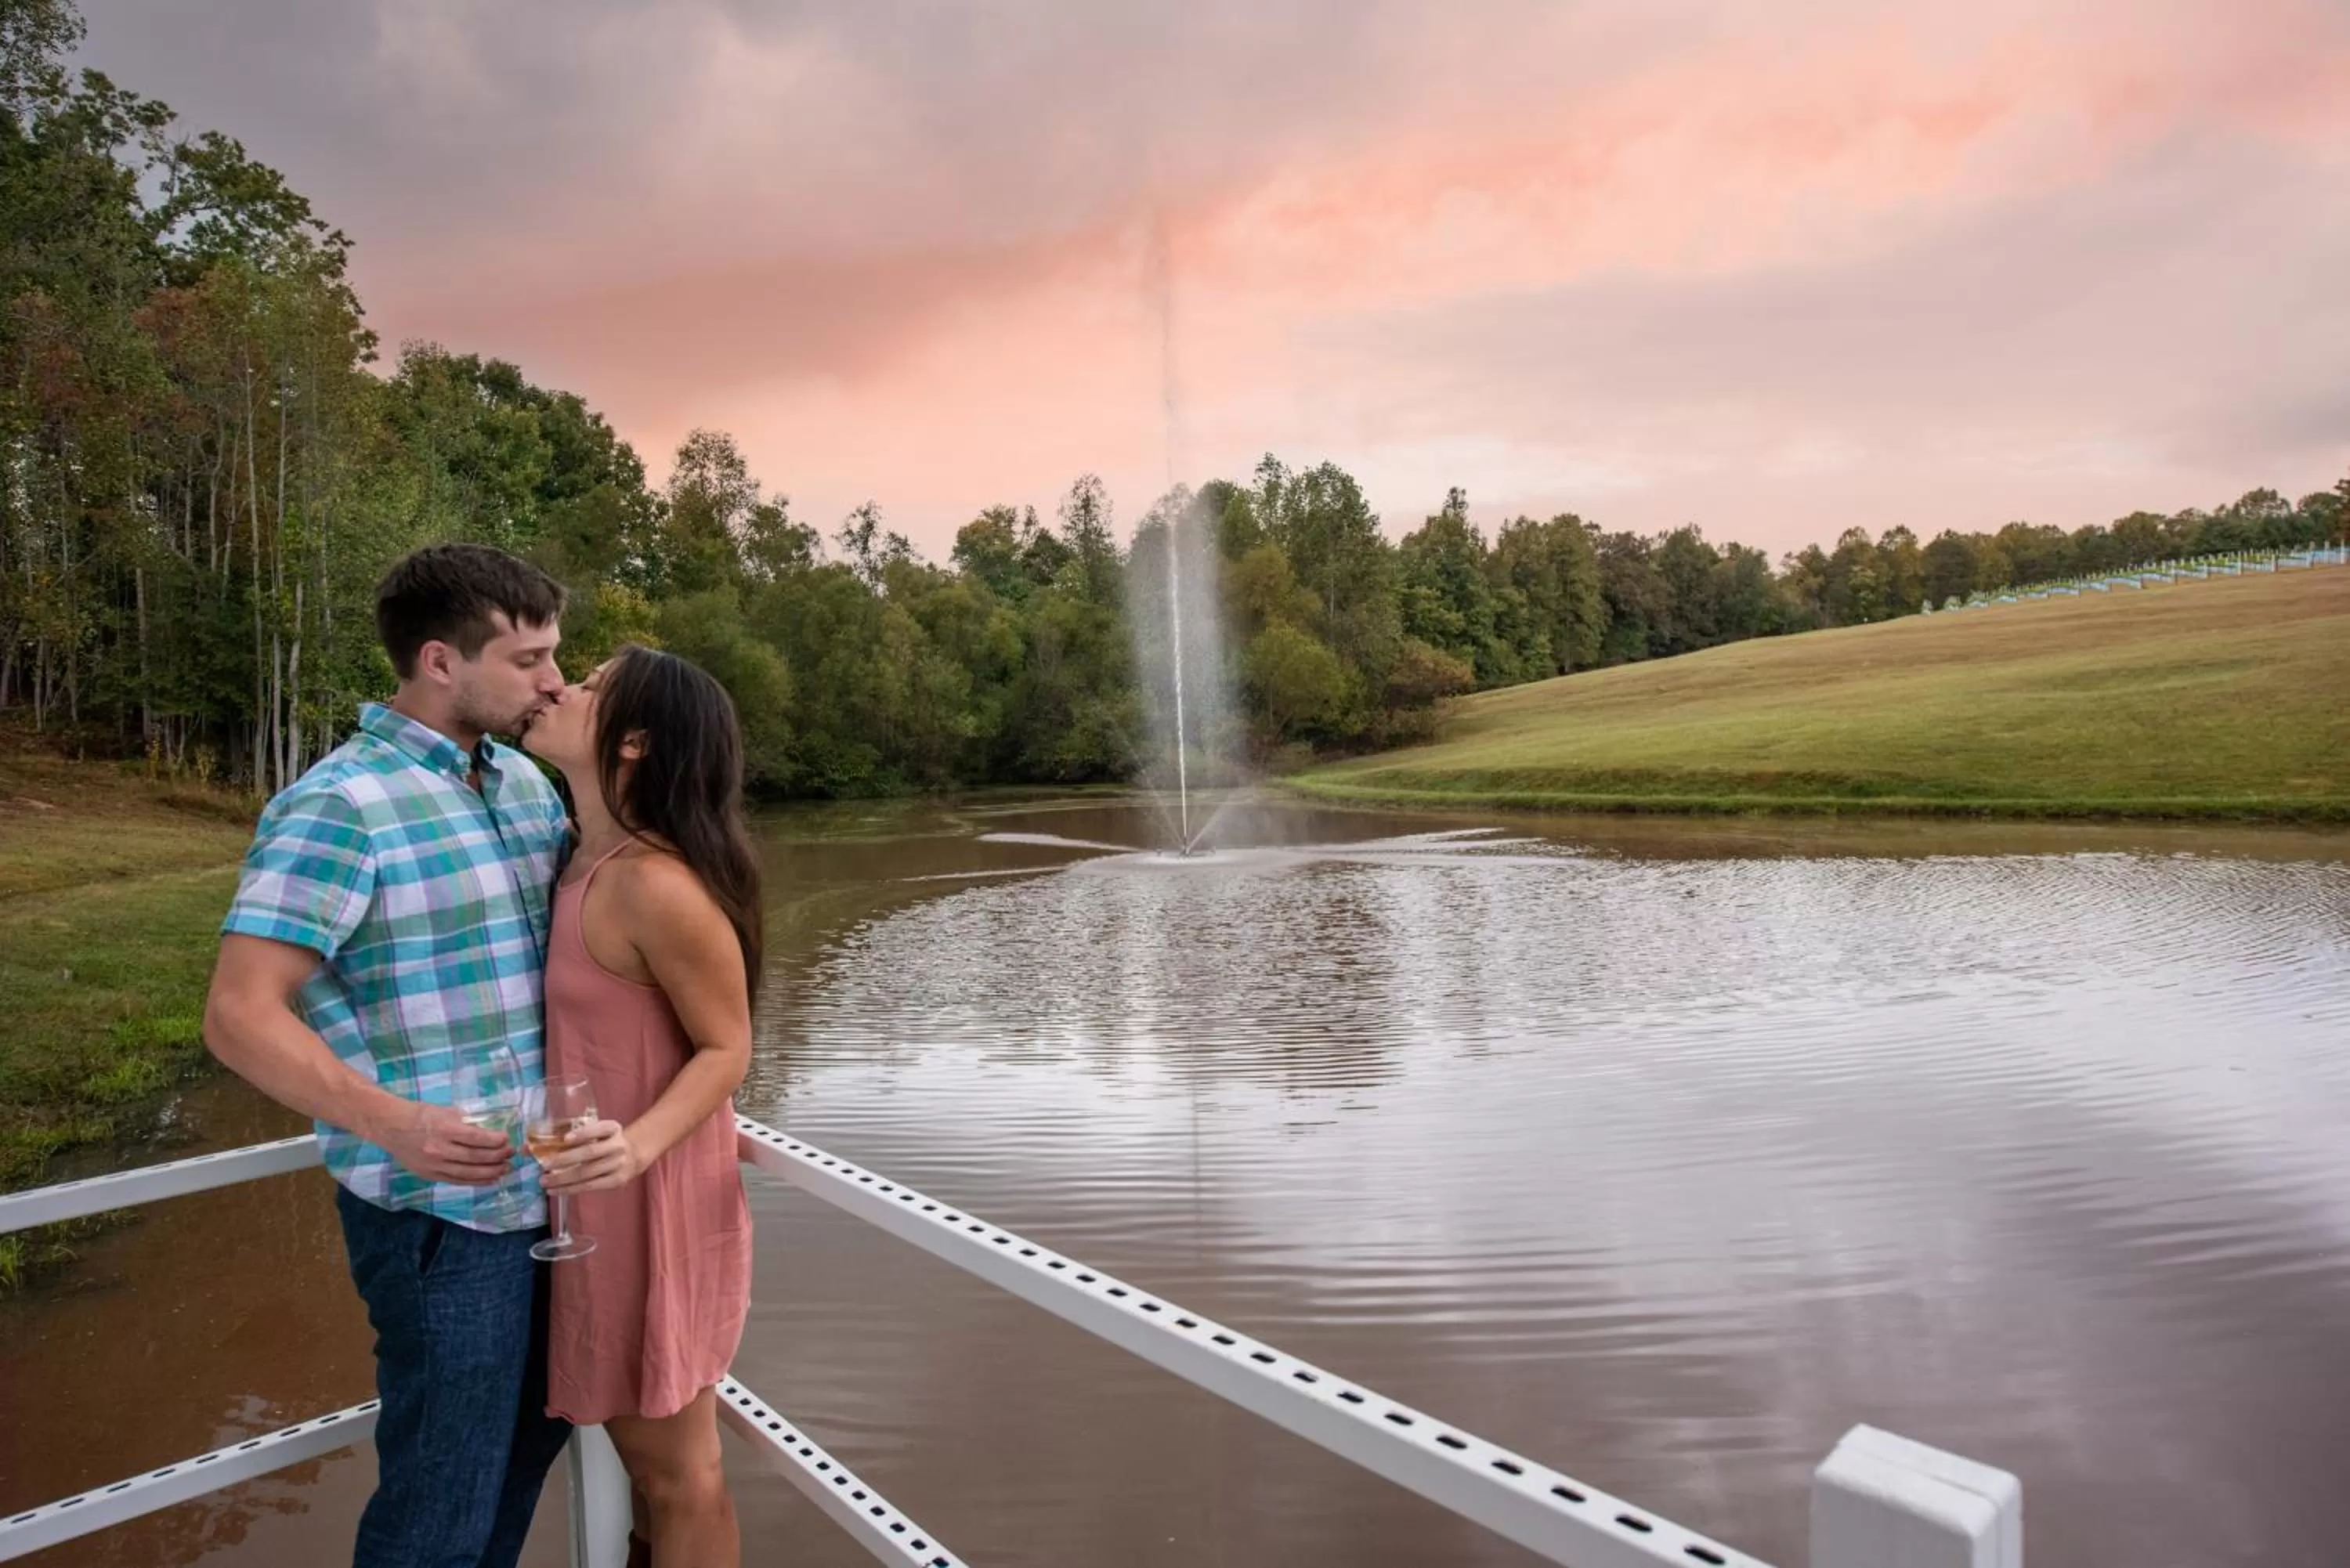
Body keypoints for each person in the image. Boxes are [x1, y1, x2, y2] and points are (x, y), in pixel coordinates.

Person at [201, 542, 575, 1568]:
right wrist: (393, 1121)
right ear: (439, 660)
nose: (555, 680)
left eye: (556, 655)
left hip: (547, 1199)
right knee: (438, 1507)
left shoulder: (526, 785)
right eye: (530, 657)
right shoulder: (340, 804)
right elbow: (238, 1013)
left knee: (518, 1468)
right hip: (438, 1221)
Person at [523, 645, 761, 1568]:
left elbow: (728, 1045)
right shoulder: (583, 855)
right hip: (599, 1203)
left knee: (679, 1474)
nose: (557, 686)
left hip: (651, 1204)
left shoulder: (655, 882)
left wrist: (636, 1145)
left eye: (584, 684)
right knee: (650, 1473)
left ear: (633, 742)